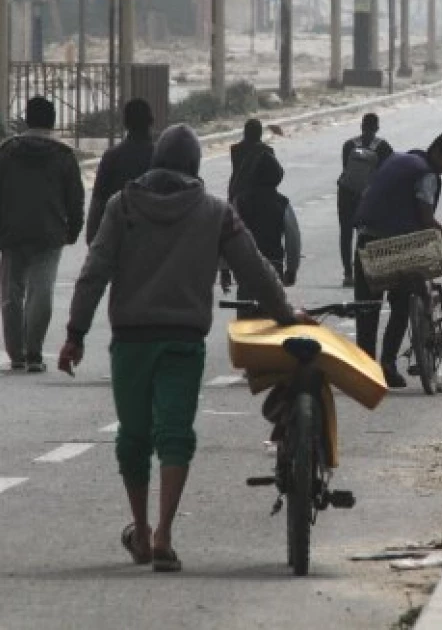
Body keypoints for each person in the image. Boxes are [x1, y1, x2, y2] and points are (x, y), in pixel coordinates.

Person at [58, 124, 305, 573]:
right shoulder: (215, 211)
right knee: (176, 435)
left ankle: (140, 528)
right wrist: (286, 314)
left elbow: (94, 271)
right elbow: (253, 267)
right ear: (195, 166)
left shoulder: (123, 205)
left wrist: (75, 333)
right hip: (183, 341)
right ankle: (164, 536)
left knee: (133, 438)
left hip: (131, 341)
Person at [353, 133, 442, 388]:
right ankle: (387, 365)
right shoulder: (426, 174)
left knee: (367, 308)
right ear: (438, 152)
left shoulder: (399, 160)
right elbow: (426, 218)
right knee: (401, 303)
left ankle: (364, 368)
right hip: (395, 246)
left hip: (365, 241)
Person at [0, 96, 84, 373]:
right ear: (53, 121)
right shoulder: (64, 155)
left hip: (11, 232)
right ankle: (35, 352)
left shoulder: (7, 151)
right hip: (49, 234)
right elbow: (75, 197)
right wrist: (73, 229)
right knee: (42, 291)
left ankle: (16, 353)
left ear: (26, 119)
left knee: (12, 293)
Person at [227, 151, 301, 286]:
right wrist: (291, 269)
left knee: (245, 303)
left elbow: (228, 234)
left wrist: (225, 269)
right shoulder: (282, 203)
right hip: (273, 264)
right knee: (273, 304)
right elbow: (293, 239)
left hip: (246, 264)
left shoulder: (240, 201)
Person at [86, 98, 155, 245]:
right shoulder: (161, 157)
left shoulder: (112, 156)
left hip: (117, 238)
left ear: (125, 124)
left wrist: (92, 238)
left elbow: (98, 201)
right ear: (151, 121)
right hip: (152, 239)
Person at [337, 113, 393, 287]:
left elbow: (346, 169)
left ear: (361, 126)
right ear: (377, 128)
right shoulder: (383, 147)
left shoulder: (349, 145)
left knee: (346, 234)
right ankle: (363, 271)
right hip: (368, 196)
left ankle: (348, 273)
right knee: (366, 234)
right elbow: (386, 175)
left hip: (346, 194)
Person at [227, 118, 281, 203]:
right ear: (260, 133)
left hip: (237, 189)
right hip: (260, 195)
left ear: (245, 132)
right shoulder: (267, 151)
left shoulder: (235, 149)